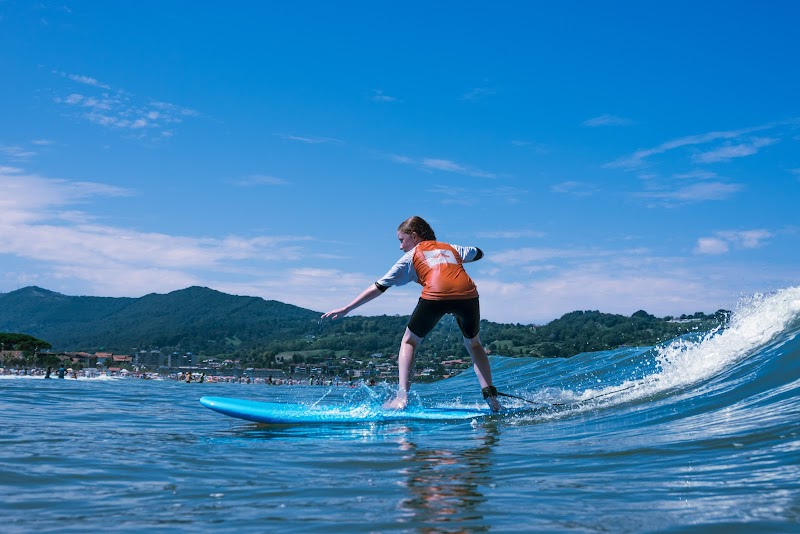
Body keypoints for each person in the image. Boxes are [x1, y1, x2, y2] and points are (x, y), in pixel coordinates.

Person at [322, 216, 502, 412]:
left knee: (409, 342)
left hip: (436, 294)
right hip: (468, 294)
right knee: (474, 344)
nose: (400, 247)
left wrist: (347, 308)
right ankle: (493, 402)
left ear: (414, 236)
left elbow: (379, 286)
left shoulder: (410, 256)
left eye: (401, 240)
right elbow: (478, 253)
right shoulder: (452, 248)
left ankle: (402, 398)